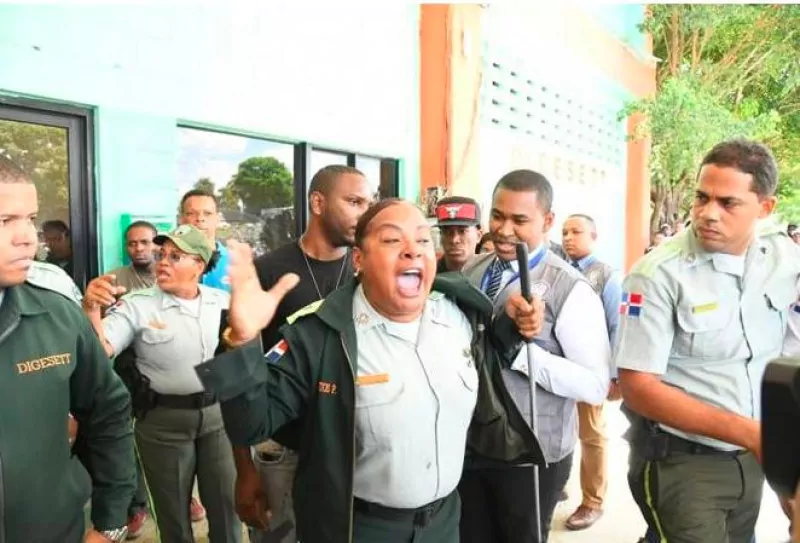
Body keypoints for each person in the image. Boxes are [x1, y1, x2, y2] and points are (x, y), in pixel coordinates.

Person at [195, 198, 546, 543]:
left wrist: (513, 327)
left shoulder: (460, 311)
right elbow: (251, 424)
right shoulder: (318, 335)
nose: (412, 250)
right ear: (359, 259)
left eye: (423, 240)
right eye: (392, 239)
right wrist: (242, 340)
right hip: (359, 527)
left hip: (445, 521)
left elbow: (482, 361)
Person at [616, 139, 800, 543]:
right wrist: (750, 433)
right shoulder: (657, 274)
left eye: (728, 203)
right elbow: (637, 387)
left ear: (765, 207)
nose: (707, 213)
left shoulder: (780, 257)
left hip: (751, 461)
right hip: (683, 462)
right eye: (702, 197)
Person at [459, 169, 611, 543]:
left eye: (519, 220)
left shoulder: (569, 288)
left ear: (547, 220)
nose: (504, 229)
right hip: (471, 442)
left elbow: (595, 386)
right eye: (497, 216)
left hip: (530, 453)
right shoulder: (473, 269)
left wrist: (522, 355)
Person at [0, 155, 135, 543]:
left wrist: (110, 523)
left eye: (30, 218)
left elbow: (109, 410)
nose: (28, 237)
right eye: (4, 221)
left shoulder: (57, 315)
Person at [82, 224, 242, 543]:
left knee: (228, 509)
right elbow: (100, 352)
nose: (163, 262)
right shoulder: (137, 305)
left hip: (218, 419)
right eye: (162, 255)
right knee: (173, 519)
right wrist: (91, 310)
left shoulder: (222, 302)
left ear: (199, 264)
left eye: (175, 256)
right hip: (162, 423)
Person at [240, 164, 373, 543]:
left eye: (369, 204)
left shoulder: (368, 270)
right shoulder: (267, 272)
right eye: (354, 202)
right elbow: (241, 380)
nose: (365, 214)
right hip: (282, 450)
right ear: (318, 202)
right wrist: (244, 470)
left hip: (351, 450)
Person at [560, 213, 623, 531]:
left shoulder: (606, 276)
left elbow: (617, 326)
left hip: (590, 370)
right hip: (558, 366)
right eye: (564, 232)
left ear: (594, 237)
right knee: (558, 427)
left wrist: (614, 375)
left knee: (591, 434)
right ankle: (557, 483)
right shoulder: (557, 269)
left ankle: (592, 501)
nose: (568, 238)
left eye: (576, 232)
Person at [179, 189, 231, 294]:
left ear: (218, 219)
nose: (200, 218)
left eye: (207, 213)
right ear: (182, 219)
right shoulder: (167, 263)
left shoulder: (236, 263)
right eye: (191, 213)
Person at [434, 196, 483, 272]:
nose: (454, 240)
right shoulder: (428, 276)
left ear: (478, 235)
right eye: (447, 232)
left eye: (462, 231)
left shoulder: (492, 275)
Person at [107, 221, 157, 293]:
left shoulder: (171, 275)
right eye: (132, 244)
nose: (139, 248)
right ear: (126, 247)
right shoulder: (113, 279)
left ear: (157, 245)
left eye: (145, 242)